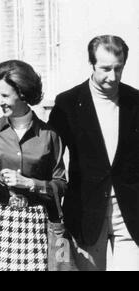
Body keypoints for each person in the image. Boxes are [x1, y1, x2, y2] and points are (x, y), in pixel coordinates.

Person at [48, 35, 139, 270]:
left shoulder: (136, 101)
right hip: (86, 210)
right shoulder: (68, 102)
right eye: (105, 69)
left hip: (129, 210)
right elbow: (49, 155)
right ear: (92, 65)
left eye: (118, 69)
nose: (113, 76)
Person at [0, 60, 67, 271]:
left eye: (5, 96)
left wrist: (30, 183)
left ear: (23, 93)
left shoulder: (49, 135)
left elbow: (61, 184)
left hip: (34, 223)